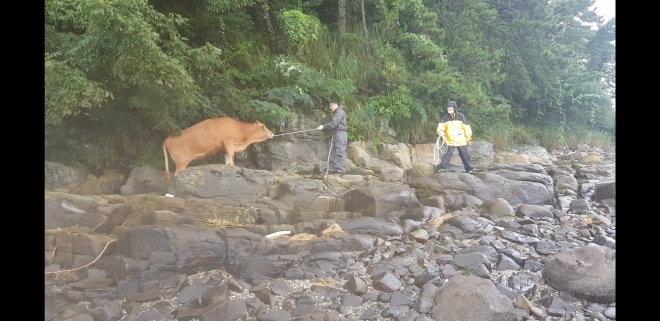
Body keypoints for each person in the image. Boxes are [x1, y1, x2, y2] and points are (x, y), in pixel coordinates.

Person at [435, 100, 474, 174]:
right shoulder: (445, 117)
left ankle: (469, 169)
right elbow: (441, 126)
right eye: (448, 108)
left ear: (454, 108)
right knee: (447, 154)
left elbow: (467, 128)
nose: (449, 109)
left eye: (450, 108)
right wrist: (440, 132)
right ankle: (442, 167)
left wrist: (469, 138)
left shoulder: (461, 116)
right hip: (450, 140)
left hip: (461, 140)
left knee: (465, 155)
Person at [317, 100, 348, 174]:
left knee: (340, 152)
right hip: (336, 134)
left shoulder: (340, 112)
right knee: (333, 152)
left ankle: (341, 171)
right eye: (329, 105)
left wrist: (323, 127)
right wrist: (324, 128)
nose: (330, 107)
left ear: (336, 104)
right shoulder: (337, 112)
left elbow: (334, 123)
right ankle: (332, 169)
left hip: (341, 134)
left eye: (331, 105)